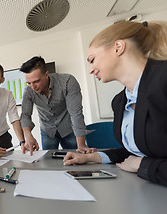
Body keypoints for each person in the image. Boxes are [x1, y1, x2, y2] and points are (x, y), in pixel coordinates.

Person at [63, 21, 167, 187]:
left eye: (92, 59)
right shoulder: (119, 101)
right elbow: (137, 150)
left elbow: (139, 159)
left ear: (118, 47)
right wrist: (89, 157)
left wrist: (142, 165)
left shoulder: (163, 79)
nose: (90, 69)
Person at [19, 56, 95, 154]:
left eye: (36, 81)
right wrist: (28, 135)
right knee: (49, 163)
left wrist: (81, 145)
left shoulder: (67, 82)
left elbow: (76, 113)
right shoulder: (28, 91)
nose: (33, 87)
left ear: (46, 74)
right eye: (29, 83)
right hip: (47, 131)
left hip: (69, 129)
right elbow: (25, 115)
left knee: (77, 159)